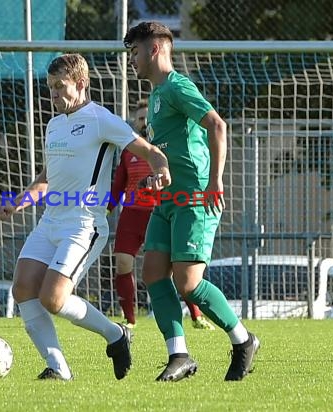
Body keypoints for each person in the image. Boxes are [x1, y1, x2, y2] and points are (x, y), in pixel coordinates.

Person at [0, 53, 171, 381]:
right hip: (50, 222)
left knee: (53, 298)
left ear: (81, 84)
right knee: (22, 288)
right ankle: (58, 369)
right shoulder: (54, 125)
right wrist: (19, 202)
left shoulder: (100, 119)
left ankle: (116, 334)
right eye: (50, 88)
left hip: (83, 225)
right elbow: (46, 180)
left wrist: (161, 167)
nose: (54, 94)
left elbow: (148, 150)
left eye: (60, 86)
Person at [123, 22, 260, 382]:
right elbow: (171, 151)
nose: (131, 59)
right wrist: (159, 175)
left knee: (188, 283)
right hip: (168, 199)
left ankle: (243, 340)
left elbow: (217, 125)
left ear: (154, 49)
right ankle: (179, 354)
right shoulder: (154, 97)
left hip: (195, 197)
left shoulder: (177, 86)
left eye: (134, 51)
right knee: (152, 273)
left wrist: (215, 181)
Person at [107, 98, 215, 331]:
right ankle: (130, 319)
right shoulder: (128, 151)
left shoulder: (165, 147)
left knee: (178, 267)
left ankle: (196, 316)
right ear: (134, 123)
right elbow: (118, 185)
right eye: (140, 118)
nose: (144, 122)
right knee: (123, 263)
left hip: (161, 210)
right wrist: (107, 207)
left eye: (147, 118)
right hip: (132, 213)